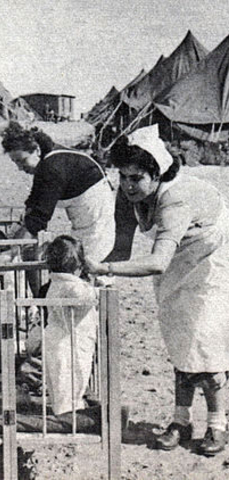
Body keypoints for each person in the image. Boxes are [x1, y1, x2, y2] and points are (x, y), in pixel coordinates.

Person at [87, 124, 229, 456]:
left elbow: (157, 262)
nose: (127, 185)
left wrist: (102, 269)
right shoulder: (129, 194)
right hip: (177, 257)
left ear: (157, 174)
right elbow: (120, 248)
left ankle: (218, 424)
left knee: (203, 343)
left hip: (211, 257)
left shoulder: (176, 198)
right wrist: (85, 269)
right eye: (123, 177)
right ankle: (181, 421)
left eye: (136, 178)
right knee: (180, 340)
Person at [1, 121, 115, 292]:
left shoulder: (52, 168)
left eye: (22, 161)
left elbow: (39, 218)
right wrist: (18, 229)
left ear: (37, 151)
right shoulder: (46, 162)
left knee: (88, 265)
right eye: (15, 162)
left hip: (95, 214)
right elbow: (34, 200)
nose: (20, 168)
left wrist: (13, 250)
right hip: (80, 213)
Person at [44, 235, 98, 415]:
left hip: (56, 339)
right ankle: (68, 416)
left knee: (58, 382)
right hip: (72, 343)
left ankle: (62, 407)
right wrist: (97, 286)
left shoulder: (55, 283)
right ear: (78, 266)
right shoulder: (73, 286)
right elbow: (89, 298)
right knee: (75, 378)